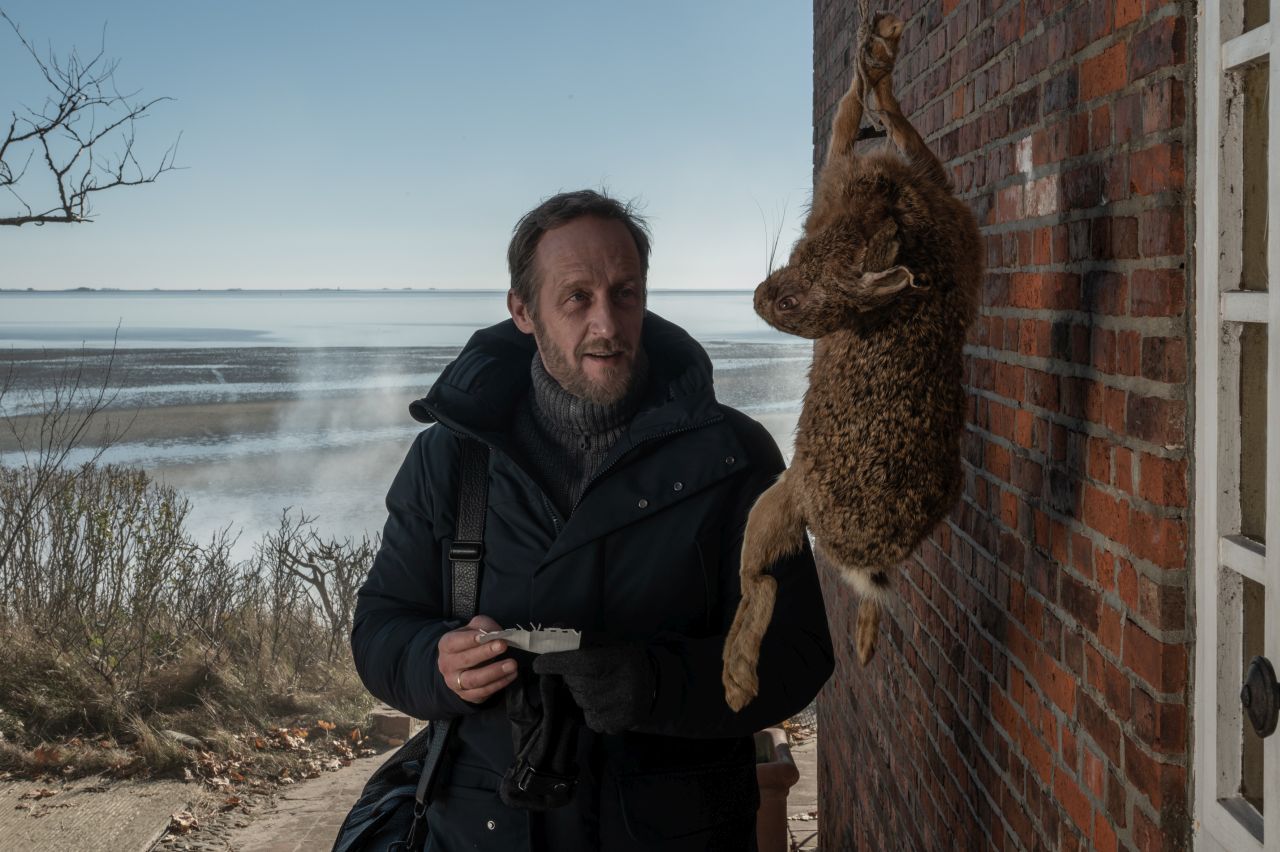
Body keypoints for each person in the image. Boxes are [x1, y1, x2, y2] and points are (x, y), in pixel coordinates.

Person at [351, 189, 833, 851]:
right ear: (523, 310)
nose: (606, 323)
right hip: (483, 830)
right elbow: (380, 626)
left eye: (625, 293)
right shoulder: (451, 458)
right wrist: (436, 664)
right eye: (576, 297)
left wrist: (657, 683)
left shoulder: (735, 457)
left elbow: (798, 656)